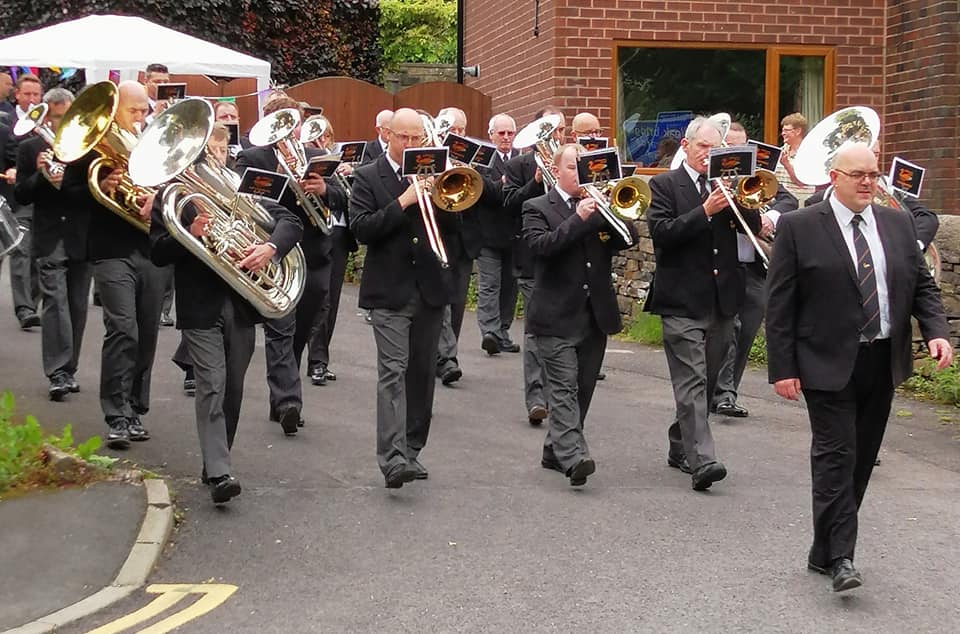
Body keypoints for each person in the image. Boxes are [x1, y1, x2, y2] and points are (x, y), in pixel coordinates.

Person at [765, 142, 953, 592]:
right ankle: (842, 557)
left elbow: (921, 285)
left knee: (862, 459)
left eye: (873, 174)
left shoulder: (897, 223)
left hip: (882, 360)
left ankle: (823, 548)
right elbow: (780, 303)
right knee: (837, 456)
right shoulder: (800, 227)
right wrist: (782, 367)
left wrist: (936, 331)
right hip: (824, 361)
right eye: (858, 175)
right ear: (834, 177)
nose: (868, 182)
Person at [149, 155, 303, 505]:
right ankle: (220, 471)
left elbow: (290, 221)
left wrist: (269, 247)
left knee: (232, 388)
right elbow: (157, 252)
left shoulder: (236, 189)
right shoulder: (171, 198)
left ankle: (215, 460)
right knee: (212, 384)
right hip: (199, 307)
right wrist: (188, 235)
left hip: (241, 305)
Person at [644, 116, 761, 490]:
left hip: (722, 299)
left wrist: (740, 197)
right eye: (703, 147)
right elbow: (662, 233)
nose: (709, 154)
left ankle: (681, 443)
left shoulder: (727, 186)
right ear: (686, 146)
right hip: (681, 300)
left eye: (716, 149)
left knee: (706, 382)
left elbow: (754, 227)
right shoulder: (665, 185)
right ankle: (704, 461)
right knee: (692, 380)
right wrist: (705, 211)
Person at [349, 107, 457, 488]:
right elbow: (362, 229)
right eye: (403, 137)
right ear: (389, 136)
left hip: (429, 289)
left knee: (422, 375)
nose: (410, 144)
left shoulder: (434, 173)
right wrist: (404, 201)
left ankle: (411, 449)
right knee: (393, 372)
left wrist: (444, 193)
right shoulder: (368, 176)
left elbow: (455, 229)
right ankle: (392, 459)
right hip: (388, 291)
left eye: (416, 138)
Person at [522, 143, 637, 486]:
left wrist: (612, 209)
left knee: (583, 388)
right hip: (555, 315)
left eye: (584, 168)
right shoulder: (536, 207)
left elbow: (627, 240)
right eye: (573, 168)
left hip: (594, 314)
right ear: (556, 171)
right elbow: (542, 247)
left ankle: (554, 450)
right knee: (563, 390)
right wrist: (579, 218)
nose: (580, 174)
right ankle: (574, 457)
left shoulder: (598, 206)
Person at [60, 81, 164, 450]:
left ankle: (135, 408)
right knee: (122, 328)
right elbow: (68, 193)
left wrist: (156, 198)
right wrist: (101, 185)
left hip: (150, 249)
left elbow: (173, 187)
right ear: (116, 108)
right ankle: (116, 414)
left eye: (144, 110)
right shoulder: (90, 146)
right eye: (134, 110)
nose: (140, 116)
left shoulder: (152, 143)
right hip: (109, 249)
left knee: (147, 332)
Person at [236, 97, 346, 435]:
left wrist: (324, 189)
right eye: (284, 123)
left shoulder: (315, 156)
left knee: (302, 330)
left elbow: (344, 199)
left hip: (315, 255)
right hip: (277, 255)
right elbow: (245, 200)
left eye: (294, 123)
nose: (291, 131)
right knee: (281, 328)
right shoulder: (252, 158)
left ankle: (282, 393)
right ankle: (288, 403)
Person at [711, 122, 798, 418]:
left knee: (746, 331)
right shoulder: (712, 177)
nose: (737, 154)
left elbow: (788, 199)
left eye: (742, 148)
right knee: (727, 331)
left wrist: (770, 218)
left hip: (755, 267)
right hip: (723, 266)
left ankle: (727, 392)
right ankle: (717, 392)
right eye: (730, 147)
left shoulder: (757, 175)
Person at [14, 87, 93, 401]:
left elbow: (93, 193)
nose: (61, 124)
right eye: (57, 117)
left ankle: (69, 368)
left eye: (67, 117)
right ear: (47, 116)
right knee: (55, 302)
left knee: (77, 305)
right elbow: (22, 194)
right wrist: (41, 175)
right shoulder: (30, 147)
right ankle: (58, 372)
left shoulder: (87, 145)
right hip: (49, 236)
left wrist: (66, 182)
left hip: (81, 235)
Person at [503, 105, 565, 424]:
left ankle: (560, 396)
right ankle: (537, 397)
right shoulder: (518, 166)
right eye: (552, 130)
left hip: (566, 258)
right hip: (531, 259)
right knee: (535, 330)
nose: (557, 136)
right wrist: (536, 181)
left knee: (564, 331)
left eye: (560, 130)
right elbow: (508, 204)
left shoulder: (573, 163)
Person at [306, 115, 358, 387]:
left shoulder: (337, 166)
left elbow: (347, 199)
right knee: (311, 301)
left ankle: (319, 361)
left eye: (325, 136)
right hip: (307, 237)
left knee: (330, 302)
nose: (321, 142)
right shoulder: (298, 164)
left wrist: (329, 187)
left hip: (336, 237)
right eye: (315, 137)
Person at [434, 106, 483, 386]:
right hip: (438, 237)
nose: (457, 134)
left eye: (461, 130)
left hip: (464, 241)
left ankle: (443, 356)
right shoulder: (430, 155)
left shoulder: (473, 158)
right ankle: (447, 359)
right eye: (452, 129)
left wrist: (472, 173)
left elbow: (491, 194)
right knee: (441, 299)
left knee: (457, 304)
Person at [474, 113, 520, 367]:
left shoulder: (522, 159)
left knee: (510, 286)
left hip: (513, 234)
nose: (506, 137)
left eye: (510, 133)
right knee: (490, 285)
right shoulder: (482, 161)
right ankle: (489, 333)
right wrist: (504, 181)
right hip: (488, 234)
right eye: (501, 133)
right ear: (490, 135)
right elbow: (484, 191)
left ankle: (502, 331)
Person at [1, 73, 43, 329]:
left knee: (39, 255)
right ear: (16, 94)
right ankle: (24, 308)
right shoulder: (6, 120)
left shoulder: (47, 121)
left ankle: (32, 302)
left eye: (36, 94)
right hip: (17, 200)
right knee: (20, 249)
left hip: (44, 199)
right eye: (27, 94)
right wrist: (14, 168)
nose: (32, 99)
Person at [775, 113, 816, 205]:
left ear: (798, 131)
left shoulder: (809, 153)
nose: (783, 133)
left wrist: (787, 165)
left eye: (786, 130)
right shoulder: (781, 151)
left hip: (800, 204)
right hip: (780, 203)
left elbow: (801, 182)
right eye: (782, 130)